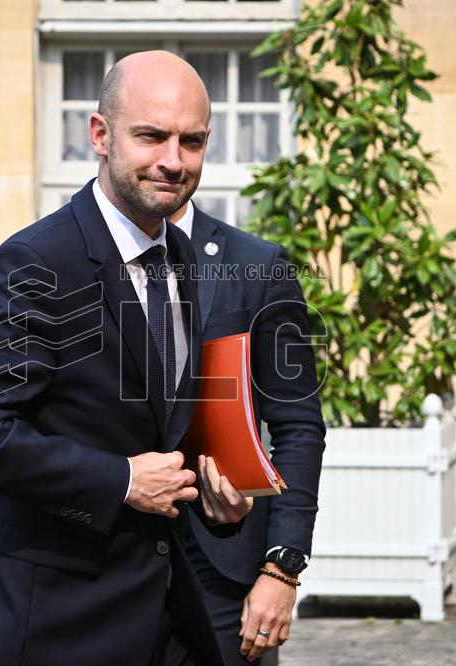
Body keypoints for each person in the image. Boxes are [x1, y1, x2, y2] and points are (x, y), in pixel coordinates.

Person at [0, 50, 253, 666]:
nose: (173, 161)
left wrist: (208, 487)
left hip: (163, 617)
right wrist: (122, 481)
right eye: (151, 136)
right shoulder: (34, 265)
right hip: (53, 628)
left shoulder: (181, 255)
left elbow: (152, 421)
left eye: (193, 141)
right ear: (100, 135)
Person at [168, 199, 326, 664]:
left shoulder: (257, 264)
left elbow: (298, 425)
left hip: (222, 569)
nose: (171, 159)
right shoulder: (77, 261)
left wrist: (283, 569)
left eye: (189, 140)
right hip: (107, 562)